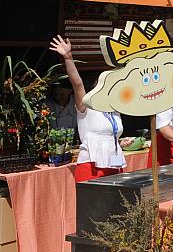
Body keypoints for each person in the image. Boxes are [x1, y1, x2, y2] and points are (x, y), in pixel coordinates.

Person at [49, 35, 125, 183]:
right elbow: (77, 83)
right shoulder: (86, 107)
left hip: (115, 164)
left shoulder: (115, 109)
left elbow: (108, 136)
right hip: (91, 166)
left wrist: (121, 141)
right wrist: (68, 58)